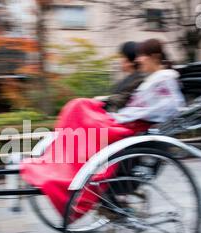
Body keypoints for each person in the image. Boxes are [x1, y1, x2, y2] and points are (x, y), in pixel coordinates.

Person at [20, 39, 185, 217]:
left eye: (142, 56)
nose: (139, 60)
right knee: (77, 106)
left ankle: (66, 169)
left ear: (155, 56)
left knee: (80, 110)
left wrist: (123, 113)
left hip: (133, 125)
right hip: (126, 119)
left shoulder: (165, 79)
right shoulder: (153, 78)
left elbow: (164, 108)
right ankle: (58, 163)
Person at [95, 41, 145, 112]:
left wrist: (104, 99)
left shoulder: (138, 79)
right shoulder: (132, 78)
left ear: (130, 62)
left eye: (122, 57)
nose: (120, 60)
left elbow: (123, 100)